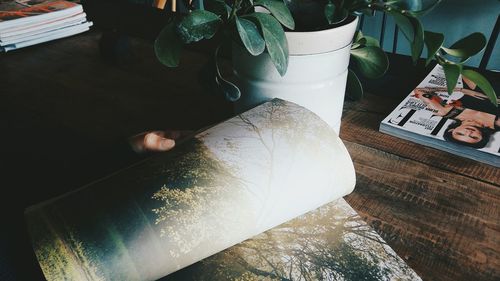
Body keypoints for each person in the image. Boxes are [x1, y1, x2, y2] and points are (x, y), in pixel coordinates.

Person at [413, 87, 500, 148]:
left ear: (451, 130)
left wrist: (462, 90)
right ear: (482, 137)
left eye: (460, 134)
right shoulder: (497, 123)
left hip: (476, 81)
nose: (468, 132)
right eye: (474, 137)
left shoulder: (446, 112)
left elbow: (419, 90)